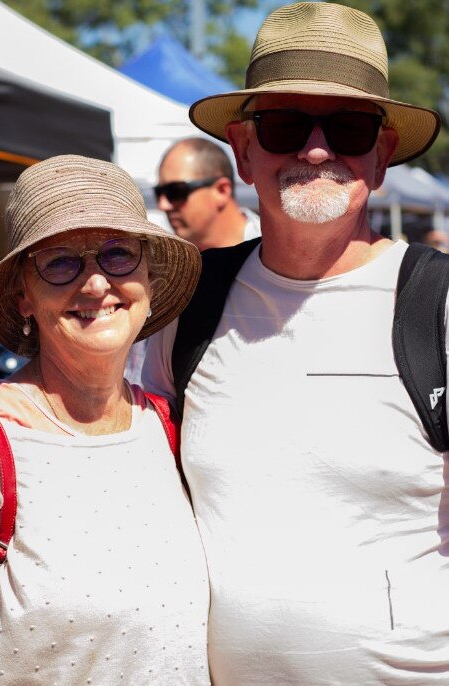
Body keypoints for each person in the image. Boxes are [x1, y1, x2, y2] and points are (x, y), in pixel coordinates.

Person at [143, 3, 448, 684]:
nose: (316, 150)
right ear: (245, 152)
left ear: (382, 155)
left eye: (347, 127)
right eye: (285, 125)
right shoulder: (185, 309)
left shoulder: (437, 308)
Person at [0, 155, 210, 685]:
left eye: (118, 255)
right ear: (23, 297)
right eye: (61, 262)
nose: (95, 284)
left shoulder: (167, 428)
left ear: (148, 279)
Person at [155, 137, 260, 251]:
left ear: (221, 191)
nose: (163, 205)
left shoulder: (272, 252)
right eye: (158, 192)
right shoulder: (165, 260)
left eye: (175, 191)